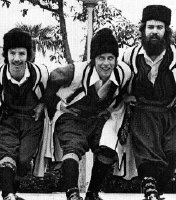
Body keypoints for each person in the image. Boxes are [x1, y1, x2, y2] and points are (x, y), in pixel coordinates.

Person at [122, 5, 176, 200]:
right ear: (143, 30)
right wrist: (124, 97)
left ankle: (157, 189)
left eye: (159, 27)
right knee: (147, 152)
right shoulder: (129, 55)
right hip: (143, 112)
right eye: (150, 27)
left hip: (172, 112)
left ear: (166, 31)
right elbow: (118, 80)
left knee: (171, 153)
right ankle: (150, 190)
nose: (154, 31)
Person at [44, 28, 131, 200]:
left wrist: (124, 100)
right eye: (101, 58)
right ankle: (72, 194)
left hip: (97, 119)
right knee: (73, 148)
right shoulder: (75, 71)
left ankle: (92, 193)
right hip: (72, 116)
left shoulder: (124, 73)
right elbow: (50, 79)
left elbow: (125, 91)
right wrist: (58, 105)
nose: (106, 63)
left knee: (109, 148)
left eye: (110, 58)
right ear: (93, 59)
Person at [0, 28, 49, 200]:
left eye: (21, 53)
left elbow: (53, 93)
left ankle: (11, 191)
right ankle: (8, 194)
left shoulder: (41, 74)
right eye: (12, 53)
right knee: (7, 155)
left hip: (32, 122)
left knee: (24, 161)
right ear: (6, 54)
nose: (17, 58)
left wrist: (42, 104)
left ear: (28, 54)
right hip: (6, 120)